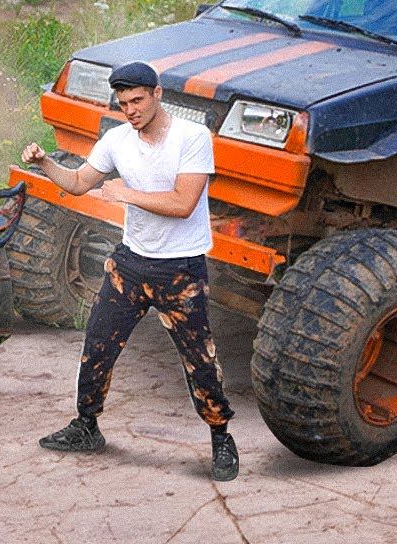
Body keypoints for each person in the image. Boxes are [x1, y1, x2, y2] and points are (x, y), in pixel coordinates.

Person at [22, 61, 238, 482]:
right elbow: (81, 182)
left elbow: (183, 204)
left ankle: (220, 437)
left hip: (180, 268)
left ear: (158, 94)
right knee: (98, 341)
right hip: (131, 262)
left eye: (138, 100)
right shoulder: (117, 138)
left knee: (199, 358)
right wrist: (45, 162)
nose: (131, 110)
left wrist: (126, 193)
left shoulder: (192, 138)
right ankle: (87, 425)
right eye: (123, 104)